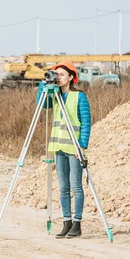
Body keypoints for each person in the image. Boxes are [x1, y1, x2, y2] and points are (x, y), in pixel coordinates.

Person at [36, 61, 91, 239]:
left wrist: (82, 146)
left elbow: (86, 123)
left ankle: (77, 223)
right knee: (63, 188)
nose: (57, 77)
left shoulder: (79, 97)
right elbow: (42, 105)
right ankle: (66, 222)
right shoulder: (54, 95)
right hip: (59, 147)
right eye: (55, 74)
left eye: (61, 74)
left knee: (76, 186)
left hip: (74, 148)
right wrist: (42, 87)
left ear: (71, 77)